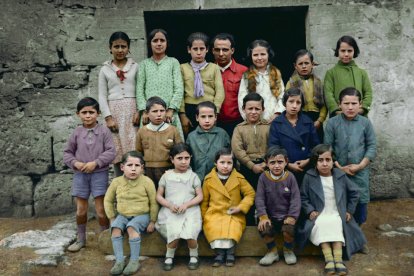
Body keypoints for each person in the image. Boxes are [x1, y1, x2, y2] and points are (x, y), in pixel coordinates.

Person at [297, 144, 367, 275]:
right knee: (321, 223)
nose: (324, 164)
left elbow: (354, 193)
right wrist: (310, 210)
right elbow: (303, 197)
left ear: (333, 161)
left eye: (328, 160)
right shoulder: (309, 176)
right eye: (320, 160)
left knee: (336, 223)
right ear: (315, 162)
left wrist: (349, 211)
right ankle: (329, 259)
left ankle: (338, 260)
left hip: (336, 212)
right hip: (320, 213)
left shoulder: (340, 175)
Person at [324, 87, 376, 253]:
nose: (350, 107)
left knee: (360, 206)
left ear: (360, 104)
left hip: (360, 172)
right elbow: (328, 148)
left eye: (354, 103)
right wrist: (338, 166)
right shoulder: (332, 123)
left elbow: (372, 146)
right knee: (340, 205)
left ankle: (358, 239)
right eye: (346, 103)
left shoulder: (365, 123)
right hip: (338, 172)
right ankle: (342, 238)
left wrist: (360, 165)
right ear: (339, 104)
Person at [63, 97, 116, 252]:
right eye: (84, 112)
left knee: (101, 210)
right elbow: (67, 154)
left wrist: (96, 163)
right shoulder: (77, 133)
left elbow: (111, 151)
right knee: (81, 209)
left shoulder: (104, 131)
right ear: (78, 114)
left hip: (99, 174)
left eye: (91, 112)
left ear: (98, 113)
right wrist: (76, 163)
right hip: (80, 175)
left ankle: (104, 238)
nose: (88, 115)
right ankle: (81, 239)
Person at [104, 151, 158, 275]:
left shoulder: (147, 182)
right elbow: (108, 200)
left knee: (131, 228)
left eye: (137, 166)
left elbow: (154, 202)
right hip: (123, 215)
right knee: (116, 229)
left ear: (142, 168)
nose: (133, 169)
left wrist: (152, 221)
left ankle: (134, 261)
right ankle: (119, 261)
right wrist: (112, 218)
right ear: (122, 167)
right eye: (129, 165)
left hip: (142, 215)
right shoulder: (116, 182)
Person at [201, 148, 255, 267]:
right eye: (222, 162)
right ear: (216, 163)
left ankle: (230, 253)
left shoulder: (239, 178)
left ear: (233, 164)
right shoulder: (208, 179)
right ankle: (219, 254)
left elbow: (250, 194)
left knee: (232, 228)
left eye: (229, 163)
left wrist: (240, 207)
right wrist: (203, 217)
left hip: (233, 213)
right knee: (213, 226)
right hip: (215, 213)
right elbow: (204, 200)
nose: (225, 166)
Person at [155, 143, 203, 271]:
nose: (183, 162)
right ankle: (169, 256)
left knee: (191, 230)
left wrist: (187, 204)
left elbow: (199, 196)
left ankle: (194, 255)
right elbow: (159, 196)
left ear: (190, 158)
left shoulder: (193, 176)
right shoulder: (166, 176)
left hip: (190, 210)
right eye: (179, 158)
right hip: (171, 210)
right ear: (172, 159)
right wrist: (169, 205)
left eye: (186, 158)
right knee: (173, 230)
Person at [98, 31, 139, 176]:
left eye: (123, 46)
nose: (120, 50)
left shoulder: (135, 67)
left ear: (128, 48)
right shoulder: (105, 70)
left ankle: (137, 185)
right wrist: (108, 117)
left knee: (133, 147)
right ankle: (120, 185)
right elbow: (102, 96)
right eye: (116, 47)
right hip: (114, 113)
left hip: (132, 112)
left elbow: (140, 90)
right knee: (117, 150)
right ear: (110, 48)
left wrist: (139, 111)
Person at [136, 28, 184, 139]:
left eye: (162, 40)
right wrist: (144, 111)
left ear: (167, 43)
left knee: (172, 144)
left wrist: (171, 110)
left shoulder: (173, 62)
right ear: (149, 43)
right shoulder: (144, 64)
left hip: (169, 114)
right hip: (150, 115)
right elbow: (139, 89)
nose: (159, 44)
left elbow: (179, 88)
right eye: (155, 40)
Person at [255, 147, 300, 266]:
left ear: (286, 162)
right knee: (264, 228)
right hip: (270, 215)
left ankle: (288, 250)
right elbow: (259, 198)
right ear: (266, 163)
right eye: (272, 162)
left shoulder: (290, 177)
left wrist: (292, 216)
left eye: (280, 162)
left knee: (289, 229)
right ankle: (272, 251)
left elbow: (296, 199)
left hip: (286, 215)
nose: (276, 166)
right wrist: (263, 216)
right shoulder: (263, 178)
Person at [268, 88, 320, 186]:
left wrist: (308, 160)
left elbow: (316, 146)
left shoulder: (308, 121)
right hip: (284, 169)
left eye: (298, 102)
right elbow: (273, 147)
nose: (294, 106)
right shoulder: (277, 123)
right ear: (284, 103)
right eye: (291, 102)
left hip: (306, 168)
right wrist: (288, 164)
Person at [231, 93, 269, 225]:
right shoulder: (239, 128)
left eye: (257, 109)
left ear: (263, 109)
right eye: (250, 109)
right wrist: (252, 165)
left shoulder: (268, 127)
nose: (253, 112)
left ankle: (265, 224)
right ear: (243, 109)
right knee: (248, 196)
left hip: (267, 168)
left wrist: (266, 164)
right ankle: (248, 226)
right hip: (247, 169)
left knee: (265, 196)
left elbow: (274, 145)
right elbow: (237, 150)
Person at [180, 32, 225, 135]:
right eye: (195, 49)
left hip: (209, 109)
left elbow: (220, 91)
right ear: (189, 49)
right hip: (189, 108)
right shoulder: (183, 68)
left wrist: (215, 111)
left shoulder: (214, 68)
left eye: (202, 49)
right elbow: (180, 92)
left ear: (207, 49)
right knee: (191, 138)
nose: (199, 52)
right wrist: (182, 114)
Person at [136, 96, 182, 188]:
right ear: (147, 113)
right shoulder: (142, 131)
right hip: (148, 171)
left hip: (168, 170)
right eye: (154, 111)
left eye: (162, 111)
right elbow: (139, 152)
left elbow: (179, 152)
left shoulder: (173, 130)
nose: (159, 114)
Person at [324, 35, 373, 117]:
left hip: (359, 116)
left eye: (349, 51)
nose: (346, 54)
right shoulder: (331, 73)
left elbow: (368, 92)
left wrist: (362, 109)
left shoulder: (362, 73)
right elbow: (328, 94)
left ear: (354, 51)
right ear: (337, 51)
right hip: (338, 117)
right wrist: (336, 110)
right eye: (343, 51)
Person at [238, 39, 285, 123]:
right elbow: (242, 98)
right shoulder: (246, 75)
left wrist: (277, 114)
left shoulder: (276, 73)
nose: (259, 58)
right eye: (255, 55)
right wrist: (248, 118)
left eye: (263, 54)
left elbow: (282, 95)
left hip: (275, 120)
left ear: (268, 55)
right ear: (251, 56)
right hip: (254, 121)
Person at [211, 33, 248, 137]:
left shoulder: (244, 71)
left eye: (225, 50)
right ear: (212, 51)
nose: (221, 54)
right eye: (217, 50)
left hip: (238, 123)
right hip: (212, 123)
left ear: (232, 50)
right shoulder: (206, 70)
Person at [286, 49, 326, 141]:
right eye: (300, 64)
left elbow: (324, 104)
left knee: (317, 147)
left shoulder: (319, 82)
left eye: (307, 63)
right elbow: (288, 103)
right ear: (295, 66)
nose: (304, 66)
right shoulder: (291, 83)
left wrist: (320, 120)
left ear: (312, 64)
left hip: (316, 121)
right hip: (299, 119)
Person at [186, 101, 230, 182]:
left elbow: (230, 156)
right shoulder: (191, 137)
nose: (207, 120)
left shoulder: (222, 134)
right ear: (197, 117)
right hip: (197, 178)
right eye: (203, 116)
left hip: (219, 178)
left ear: (215, 117)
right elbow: (188, 160)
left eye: (210, 116)